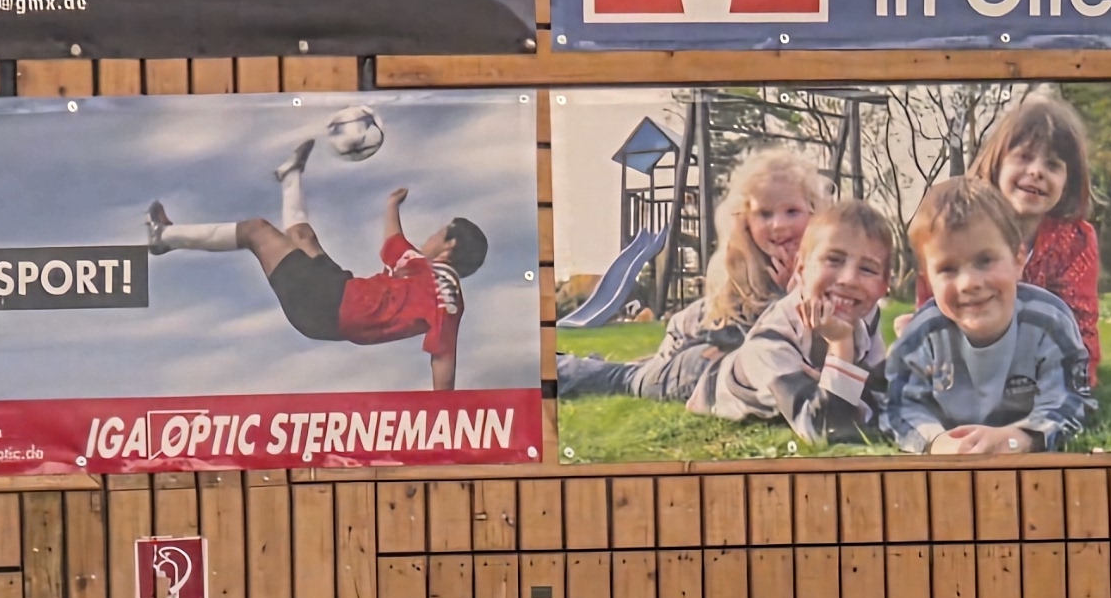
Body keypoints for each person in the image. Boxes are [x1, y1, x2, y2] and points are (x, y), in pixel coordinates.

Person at [148, 134, 485, 395]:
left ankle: (164, 237)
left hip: (330, 305)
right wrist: (392, 205)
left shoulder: (444, 290)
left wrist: (443, 414)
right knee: (303, 237)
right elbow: (394, 243)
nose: (431, 236)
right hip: (339, 294)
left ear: (450, 246)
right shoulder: (424, 272)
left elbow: (443, 354)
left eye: (440, 232)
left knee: (257, 231)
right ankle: (290, 175)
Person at [558, 143, 823, 406]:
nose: (779, 225)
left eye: (792, 211)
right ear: (746, 221)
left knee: (642, 370)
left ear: (813, 213)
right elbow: (754, 343)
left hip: (714, 350)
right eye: (764, 214)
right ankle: (562, 369)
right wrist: (784, 299)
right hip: (693, 341)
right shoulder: (744, 266)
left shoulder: (828, 262)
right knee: (629, 379)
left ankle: (599, 365)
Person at [874, 177, 1089, 458]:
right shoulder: (922, 334)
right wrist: (935, 442)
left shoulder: (1049, 323)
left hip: (1021, 435)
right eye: (948, 269)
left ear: (1018, 260)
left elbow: (1070, 398)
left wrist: (1021, 439)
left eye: (985, 261)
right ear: (928, 280)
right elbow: (899, 406)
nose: (969, 283)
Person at [706, 195, 900, 448]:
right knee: (660, 373)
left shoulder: (865, 317)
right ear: (800, 269)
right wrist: (841, 346)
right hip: (708, 379)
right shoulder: (771, 339)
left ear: (883, 286)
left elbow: (881, 404)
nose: (849, 279)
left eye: (868, 269)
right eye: (834, 259)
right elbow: (825, 430)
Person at [980, 91, 1103, 384]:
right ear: (997, 165)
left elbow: (1081, 324)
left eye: (1052, 165)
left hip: (1043, 363)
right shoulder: (965, 228)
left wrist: (1076, 380)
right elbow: (937, 298)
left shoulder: (1075, 241)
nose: (1036, 171)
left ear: (1068, 182)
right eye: (1024, 157)